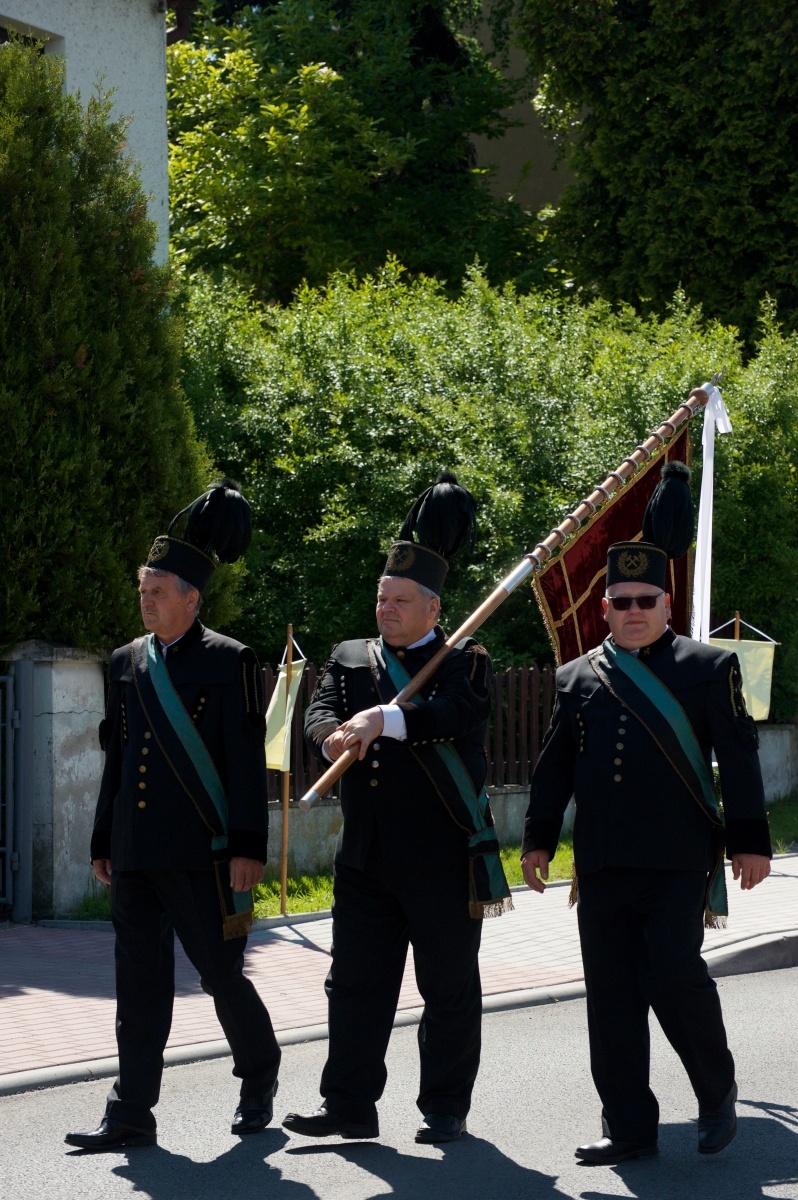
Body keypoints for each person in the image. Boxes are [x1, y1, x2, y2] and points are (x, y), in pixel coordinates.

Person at [521, 538, 771, 1164]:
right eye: (621, 601)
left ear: (667, 604)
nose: (633, 611)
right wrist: (538, 839)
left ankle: (717, 1093)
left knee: (673, 976)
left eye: (646, 600)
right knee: (610, 997)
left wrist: (750, 843)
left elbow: (739, 762)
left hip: (679, 856)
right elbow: (555, 768)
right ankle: (629, 1127)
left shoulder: (708, 666)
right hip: (603, 860)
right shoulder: (577, 676)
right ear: (604, 608)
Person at [282, 473, 510, 1145]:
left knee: (447, 990)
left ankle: (444, 1105)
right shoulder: (352, 656)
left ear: (433, 608)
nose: (385, 607)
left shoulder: (463, 657)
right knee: (353, 986)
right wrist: (332, 739)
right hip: (366, 856)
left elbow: (459, 717)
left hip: (441, 854)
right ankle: (348, 1104)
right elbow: (320, 711)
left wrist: (388, 719)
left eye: (400, 599)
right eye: (382, 596)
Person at [65, 481, 280, 1152]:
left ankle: (258, 1072)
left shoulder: (231, 661)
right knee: (139, 987)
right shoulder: (127, 662)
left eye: (159, 591)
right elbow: (119, 755)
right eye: (143, 589)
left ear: (192, 597)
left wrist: (248, 845)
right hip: (136, 851)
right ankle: (131, 1111)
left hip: (205, 852)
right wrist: (104, 838)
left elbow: (246, 763)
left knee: (219, 976)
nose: (146, 599)